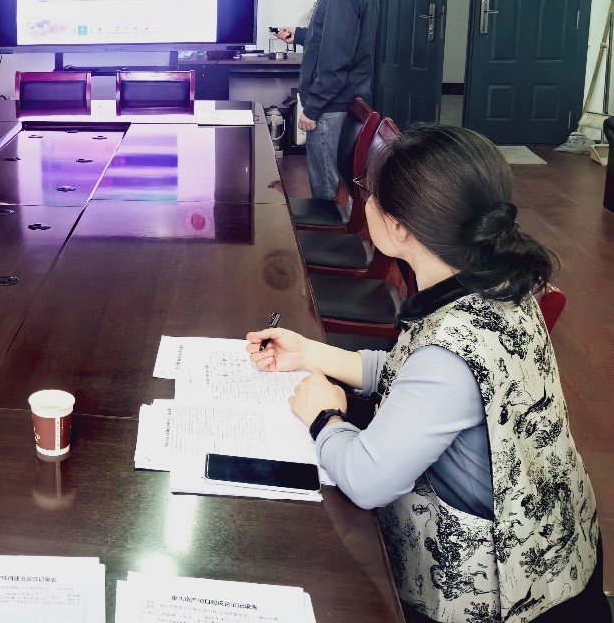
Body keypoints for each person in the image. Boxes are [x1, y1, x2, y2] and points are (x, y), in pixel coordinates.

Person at [247, 125, 606, 623]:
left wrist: (323, 418)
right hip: (560, 551)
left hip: (500, 596)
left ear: (400, 229)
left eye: (371, 195)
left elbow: (368, 480)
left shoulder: (448, 349)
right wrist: (310, 353)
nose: (365, 202)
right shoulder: (498, 284)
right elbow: (414, 382)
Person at [273, 0, 378, 201]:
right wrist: (299, 35)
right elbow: (337, 40)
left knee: (327, 192)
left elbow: (335, 61)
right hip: (341, 102)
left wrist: (312, 108)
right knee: (335, 184)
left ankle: (330, 230)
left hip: (331, 107)